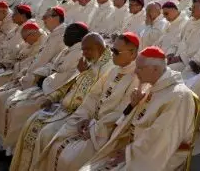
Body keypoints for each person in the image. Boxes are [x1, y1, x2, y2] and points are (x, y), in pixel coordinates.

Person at [28, 33, 139, 171]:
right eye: (112, 50)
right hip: (90, 122)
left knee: (68, 158)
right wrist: (85, 117)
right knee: (54, 142)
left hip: (105, 133)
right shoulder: (114, 70)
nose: (112, 54)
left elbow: (120, 113)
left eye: (116, 51)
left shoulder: (136, 78)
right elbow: (93, 96)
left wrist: (93, 126)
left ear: (132, 53)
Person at [79, 46, 197, 170]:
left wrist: (128, 154)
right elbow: (134, 122)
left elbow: (161, 140)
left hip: (155, 158)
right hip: (136, 149)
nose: (135, 72)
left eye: (140, 68)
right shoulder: (152, 87)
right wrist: (133, 105)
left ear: (155, 69)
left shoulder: (178, 97)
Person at [9, 32, 112, 171]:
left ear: (99, 48)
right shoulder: (89, 61)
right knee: (33, 122)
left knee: (45, 134)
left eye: (88, 49)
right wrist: (51, 98)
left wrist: (84, 72)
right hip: (63, 109)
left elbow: (96, 97)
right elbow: (69, 84)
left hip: (79, 115)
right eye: (83, 49)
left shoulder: (108, 68)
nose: (84, 53)